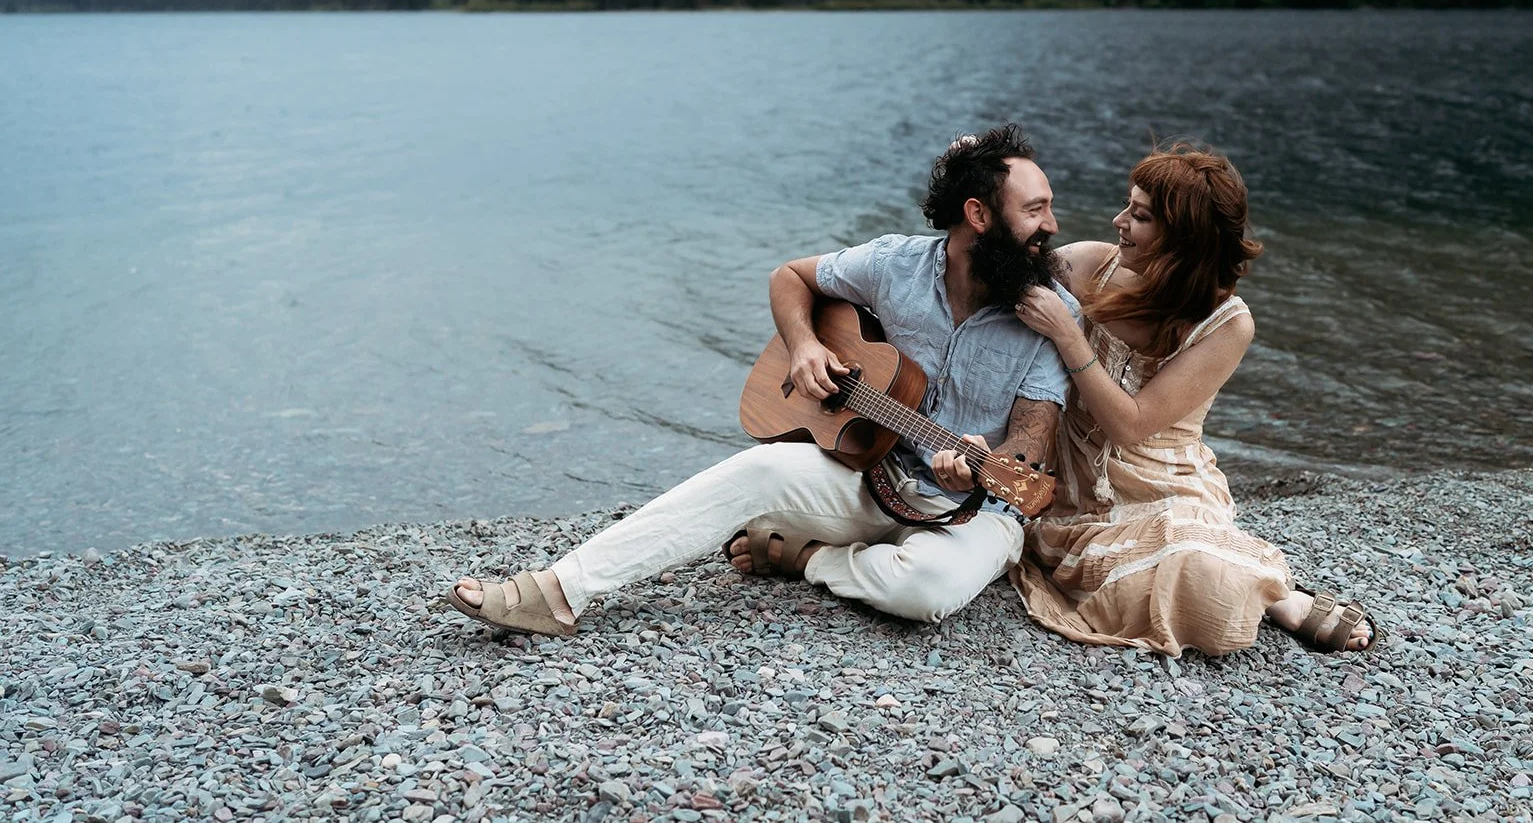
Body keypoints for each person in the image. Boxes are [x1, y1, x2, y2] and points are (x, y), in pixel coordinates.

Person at [448, 124, 1079, 637]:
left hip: (973, 510)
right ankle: (558, 593)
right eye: (1035, 209)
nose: (1051, 225)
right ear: (978, 215)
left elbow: (1031, 444)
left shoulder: (1049, 312)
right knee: (751, 474)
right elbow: (789, 277)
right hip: (871, 477)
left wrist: (984, 466)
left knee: (928, 591)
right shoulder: (895, 266)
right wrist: (805, 348)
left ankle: (803, 557)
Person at [1009, 142, 1377, 655]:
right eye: (1126, 205)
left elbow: (1132, 425)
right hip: (1075, 487)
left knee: (1196, 573)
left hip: (1169, 484)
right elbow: (991, 274)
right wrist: (981, 177)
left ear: (1184, 239)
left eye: (1139, 216)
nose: (1118, 221)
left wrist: (1069, 339)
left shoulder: (1227, 324)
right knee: (1171, 580)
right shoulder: (1091, 265)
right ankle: (1264, 590)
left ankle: (1274, 596)